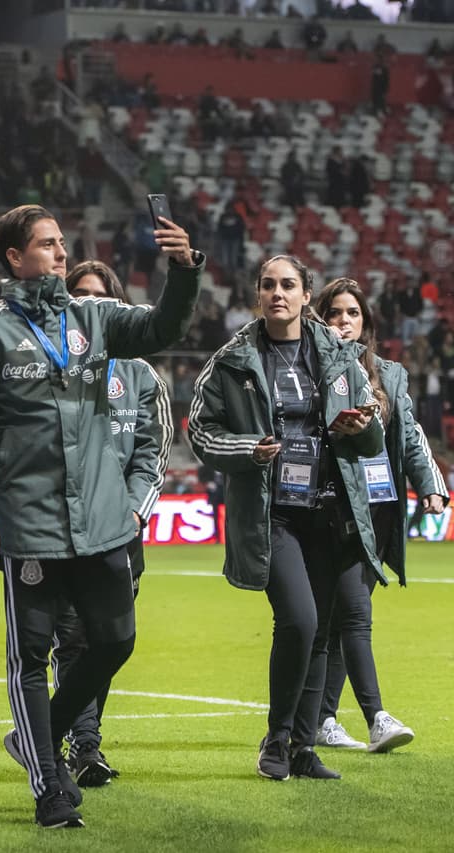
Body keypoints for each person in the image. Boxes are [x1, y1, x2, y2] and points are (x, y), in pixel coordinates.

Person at [0, 204, 200, 828]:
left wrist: (184, 269)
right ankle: (48, 788)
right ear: (15, 256)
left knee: (116, 641)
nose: (62, 253)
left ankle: (41, 734)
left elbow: (161, 329)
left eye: (62, 243)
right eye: (48, 244)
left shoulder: (94, 317)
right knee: (31, 656)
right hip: (29, 525)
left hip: (104, 523)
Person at [189, 255, 384, 784]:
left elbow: (373, 435)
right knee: (299, 620)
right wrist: (249, 447)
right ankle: (276, 739)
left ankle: (301, 747)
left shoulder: (340, 356)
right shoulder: (231, 359)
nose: (279, 293)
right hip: (271, 514)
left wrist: (359, 427)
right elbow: (200, 432)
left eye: (289, 285)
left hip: (328, 510)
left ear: (305, 295)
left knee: (320, 633)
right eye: (269, 285)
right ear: (258, 294)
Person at [313, 278, 448, 751]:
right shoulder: (311, 370)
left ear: (366, 323)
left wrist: (431, 485)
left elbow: (409, 435)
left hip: (379, 509)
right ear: (320, 319)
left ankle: (323, 719)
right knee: (355, 613)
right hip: (332, 508)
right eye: (333, 313)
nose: (343, 321)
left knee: (338, 620)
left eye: (352, 313)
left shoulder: (388, 375)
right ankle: (376, 716)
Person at [57, 260, 172, 786]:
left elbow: (153, 451)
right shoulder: (48, 363)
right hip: (59, 526)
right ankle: (84, 745)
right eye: (77, 294)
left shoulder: (141, 374)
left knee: (109, 640)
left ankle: (75, 738)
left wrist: (130, 511)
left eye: (98, 295)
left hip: (122, 531)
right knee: (75, 640)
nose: (87, 304)